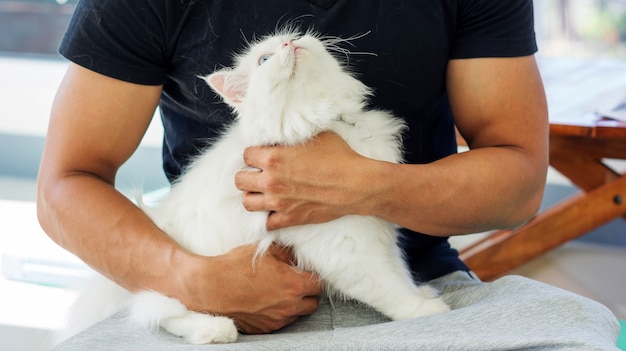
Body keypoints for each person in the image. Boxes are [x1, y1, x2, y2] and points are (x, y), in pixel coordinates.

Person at [37, 0, 620, 350]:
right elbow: (64, 184)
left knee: (580, 329)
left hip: (415, 287)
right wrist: (191, 280)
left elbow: (519, 179)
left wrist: (367, 186)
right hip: (217, 299)